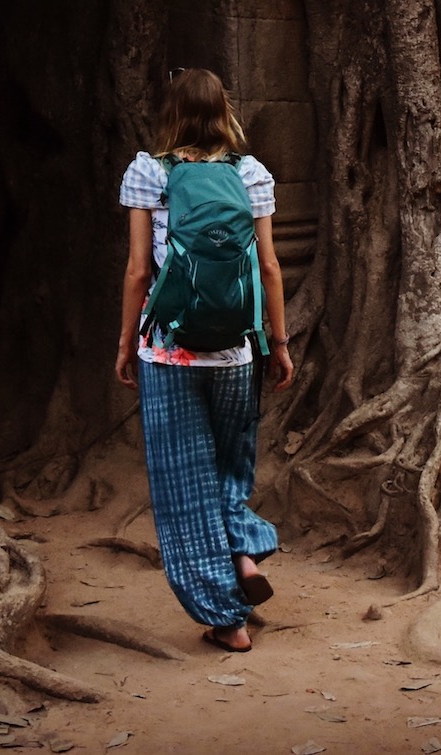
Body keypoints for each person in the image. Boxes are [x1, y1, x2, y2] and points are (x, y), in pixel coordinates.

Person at [115, 67, 293, 654]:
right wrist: (279, 343)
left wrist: (124, 344)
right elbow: (268, 267)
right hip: (237, 352)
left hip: (167, 352)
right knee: (229, 469)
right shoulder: (251, 173)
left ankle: (228, 619)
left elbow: (141, 271)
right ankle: (242, 550)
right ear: (225, 112)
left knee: (183, 484)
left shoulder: (149, 172)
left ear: (170, 113)